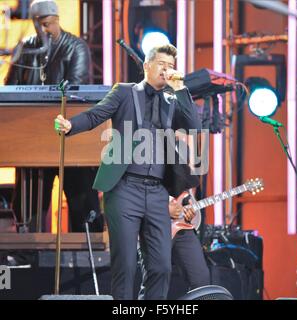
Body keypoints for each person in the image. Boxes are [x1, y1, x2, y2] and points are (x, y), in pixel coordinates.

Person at [55, 44, 201, 299]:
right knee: (125, 265)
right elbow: (95, 115)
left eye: (170, 66)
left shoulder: (171, 101)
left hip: (157, 193)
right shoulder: (124, 92)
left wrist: (181, 89)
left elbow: (193, 126)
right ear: (147, 66)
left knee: (161, 267)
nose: (166, 71)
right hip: (124, 189)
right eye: (161, 65)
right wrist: (70, 125)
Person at [5, 0, 102, 232]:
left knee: (80, 199)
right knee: (30, 206)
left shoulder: (76, 47)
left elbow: (75, 89)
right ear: (34, 23)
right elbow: (10, 87)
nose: (47, 29)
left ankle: (86, 257)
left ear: (57, 19)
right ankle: (27, 250)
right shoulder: (26, 47)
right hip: (33, 141)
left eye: (50, 23)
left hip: (69, 140)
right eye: (42, 25)